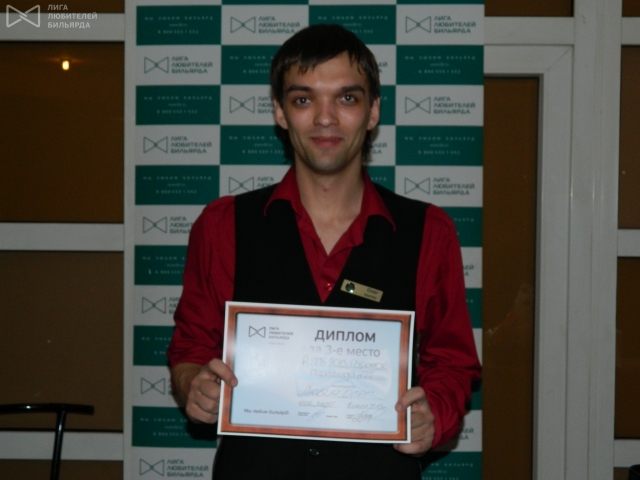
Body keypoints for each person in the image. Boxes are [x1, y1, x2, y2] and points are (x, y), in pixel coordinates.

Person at [167, 24, 481, 480]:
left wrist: (433, 412)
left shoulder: (429, 230)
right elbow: (191, 347)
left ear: (373, 112)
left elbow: (452, 363)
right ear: (280, 112)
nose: (325, 118)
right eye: (304, 99)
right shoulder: (222, 224)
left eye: (347, 98)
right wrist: (193, 386)